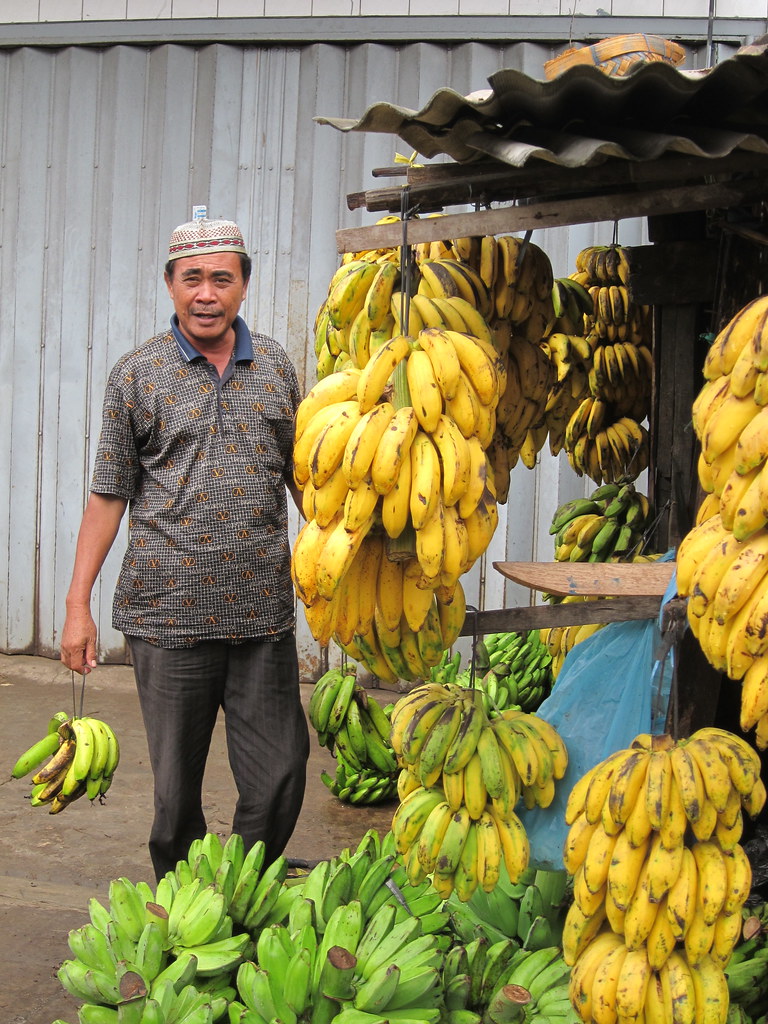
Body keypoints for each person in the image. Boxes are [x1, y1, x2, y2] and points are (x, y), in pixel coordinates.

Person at [60, 215, 310, 881]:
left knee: (282, 770)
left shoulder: (278, 365)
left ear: (243, 287)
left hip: (262, 615)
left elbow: (303, 478)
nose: (207, 293)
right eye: (192, 278)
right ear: (170, 285)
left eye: (221, 279)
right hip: (166, 616)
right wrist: (77, 605)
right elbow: (108, 495)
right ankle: (185, 901)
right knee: (176, 790)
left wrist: (332, 559)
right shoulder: (137, 375)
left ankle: (246, 884)